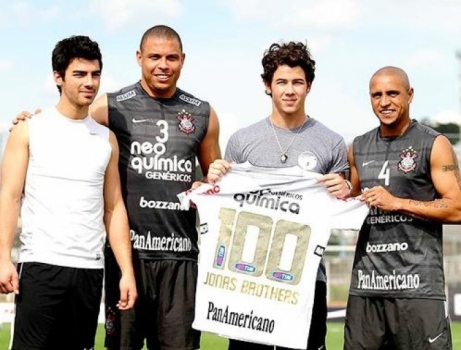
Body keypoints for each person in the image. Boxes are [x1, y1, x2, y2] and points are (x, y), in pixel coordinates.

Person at [13, 25, 221, 350]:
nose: (162, 65)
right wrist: (31, 120)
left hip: (180, 259)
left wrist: (209, 184)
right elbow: (71, 122)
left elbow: (214, 185)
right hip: (126, 257)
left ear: (183, 59)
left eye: (171, 58)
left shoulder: (202, 112)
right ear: (139, 58)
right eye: (154, 57)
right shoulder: (110, 106)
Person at [207, 41, 352, 350]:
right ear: (267, 86)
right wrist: (216, 180)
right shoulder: (242, 142)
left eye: (297, 82)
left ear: (309, 86)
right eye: (281, 82)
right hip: (250, 284)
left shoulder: (331, 143)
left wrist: (346, 189)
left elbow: (341, 210)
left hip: (307, 282)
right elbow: (227, 212)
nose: (289, 90)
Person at [0, 35, 136, 350]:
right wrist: (3, 257)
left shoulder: (106, 140)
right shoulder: (29, 130)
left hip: (89, 271)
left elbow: (113, 208)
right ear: (58, 77)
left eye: (95, 74)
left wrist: (126, 272)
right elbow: (9, 197)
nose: (90, 82)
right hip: (40, 266)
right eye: (79, 74)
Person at [344, 66, 461, 350]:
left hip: (418, 286)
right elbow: (350, 201)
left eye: (392, 93)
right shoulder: (358, 147)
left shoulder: (434, 143)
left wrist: (396, 203)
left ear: (409, 95)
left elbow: (457, 208)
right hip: (367, 289)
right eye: (377, 95)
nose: (384, 102)